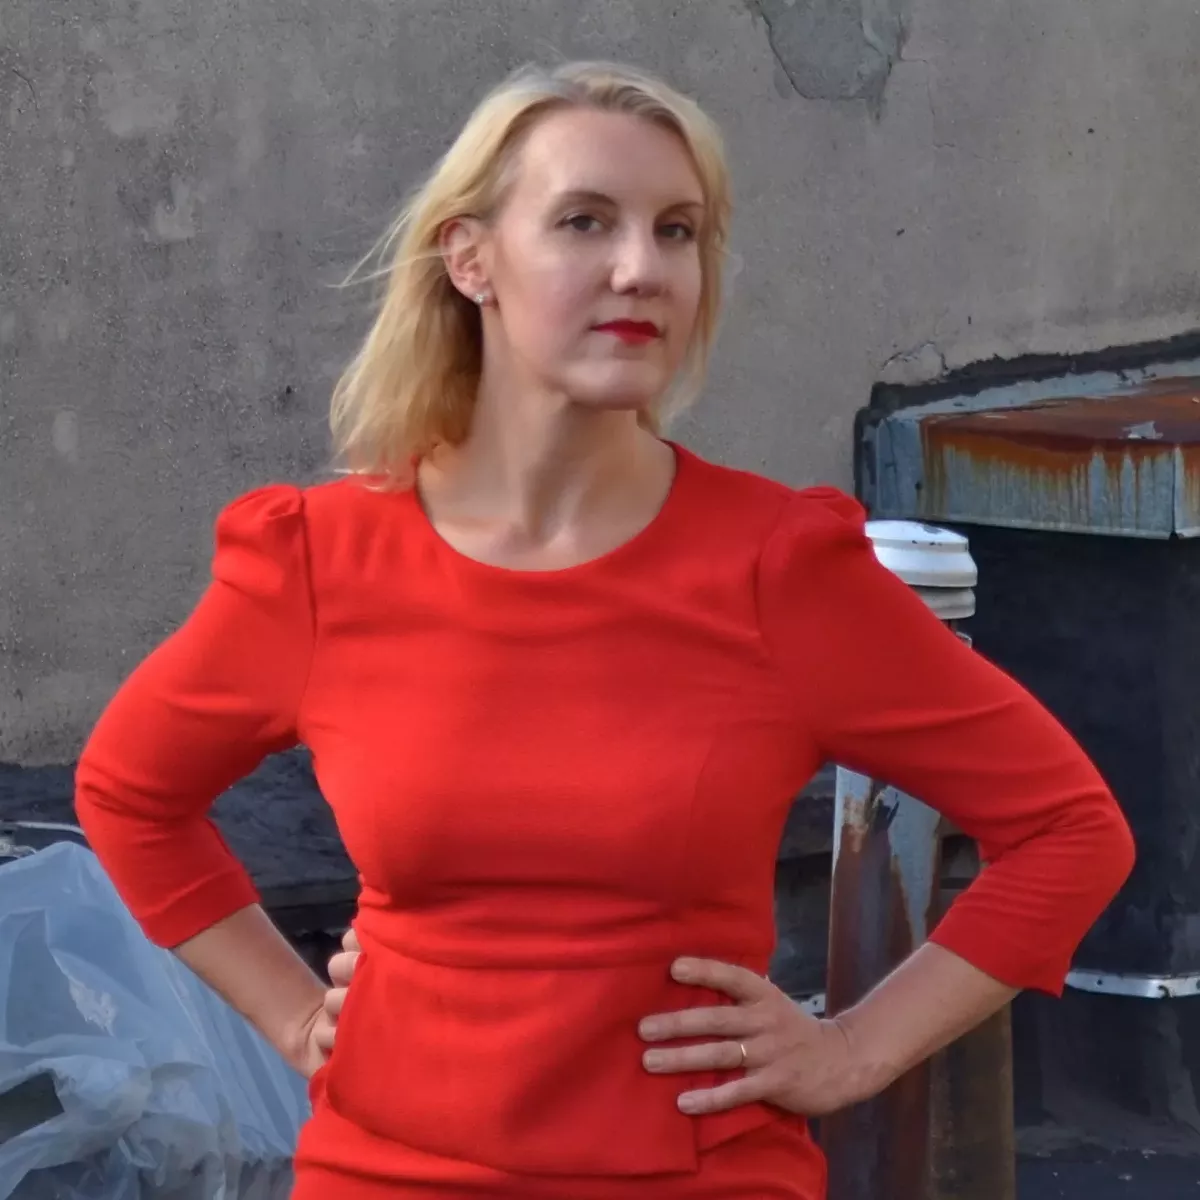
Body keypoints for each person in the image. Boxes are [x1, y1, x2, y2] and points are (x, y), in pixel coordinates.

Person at [74, 59, 1135, 1200]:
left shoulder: (780, 568)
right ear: (469, 258)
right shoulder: (318, 562)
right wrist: (292, 1016)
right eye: (585, 221)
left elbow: (1070, 830)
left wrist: (853, 1048)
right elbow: (131, 795)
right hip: (381, 1169)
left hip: (697, 1173)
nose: (642, 268)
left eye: (678, 231)